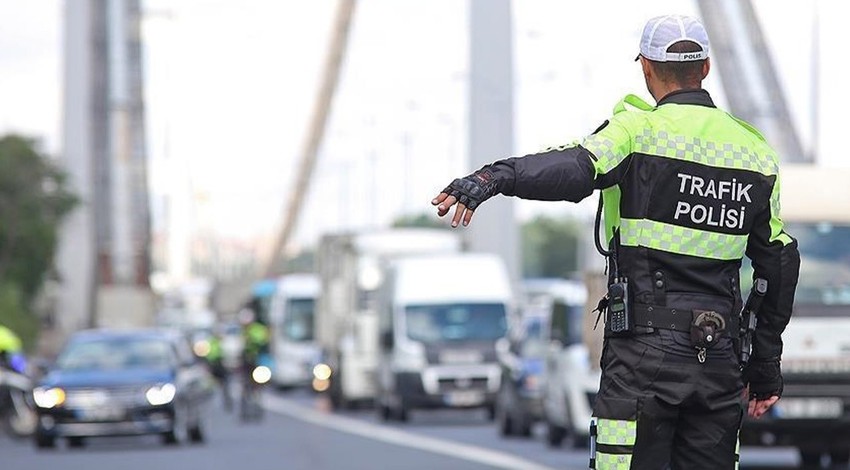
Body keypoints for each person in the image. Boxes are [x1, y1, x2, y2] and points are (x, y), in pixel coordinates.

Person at [431, 14, 800, 470]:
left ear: (646, 67)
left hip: (643, 360)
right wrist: (765, 366)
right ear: (705, 68)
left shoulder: (635, 131)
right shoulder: (754, 153)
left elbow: (571, 170)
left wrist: (493, 178)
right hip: (718, 359)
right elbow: (779, 264)